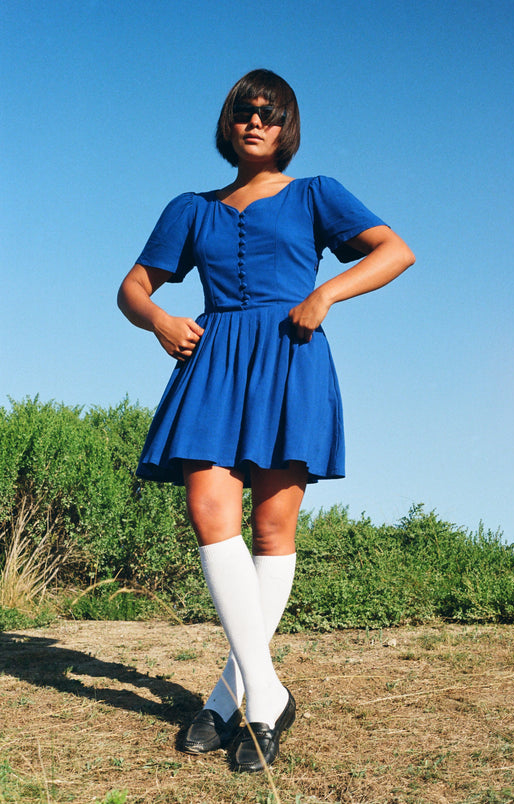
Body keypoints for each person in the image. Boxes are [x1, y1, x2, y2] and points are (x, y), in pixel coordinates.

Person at [117, 68, 415, 773]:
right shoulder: (190, 208)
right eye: (244, 112)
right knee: (206, 507)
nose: (256, 122)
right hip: (213, 363)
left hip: (289, 358)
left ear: (287, 127)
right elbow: (132, 287)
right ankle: (268, 694)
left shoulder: (318, 193)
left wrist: (327, 294)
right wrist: (159, 318)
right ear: (228, 123)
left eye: (270, 113)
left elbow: (394, 251)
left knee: (272, 528)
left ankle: (229, 700)